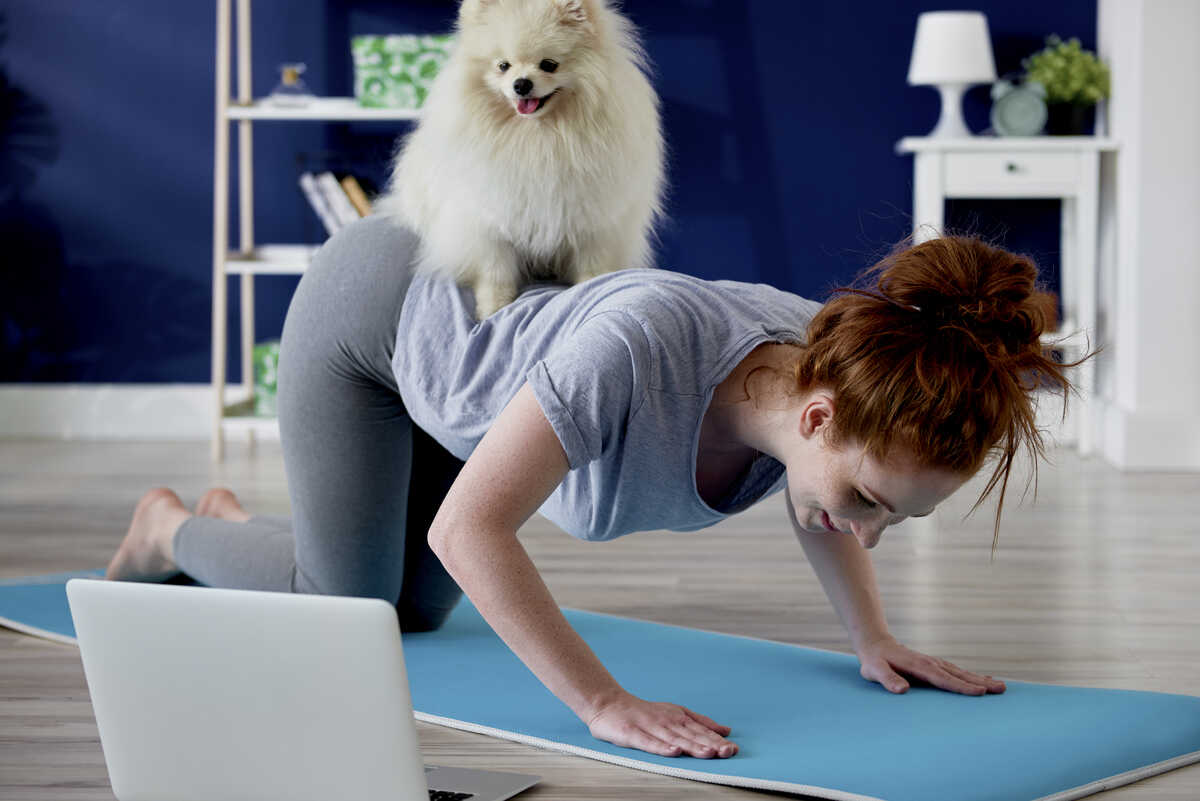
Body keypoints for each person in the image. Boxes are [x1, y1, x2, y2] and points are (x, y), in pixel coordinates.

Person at [106, 215, 1074, 761]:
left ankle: (245, 526)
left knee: (408, 618)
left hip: (481, 378)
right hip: (379, 311)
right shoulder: (640, 347)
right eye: (871, 500)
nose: (864, 531)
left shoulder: (826, 379)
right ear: (817, 417)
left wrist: (875, 637)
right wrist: (602, 703)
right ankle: (172, 527)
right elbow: (469, 532)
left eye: (894, 519)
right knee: (346, 602)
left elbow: (819, 498)